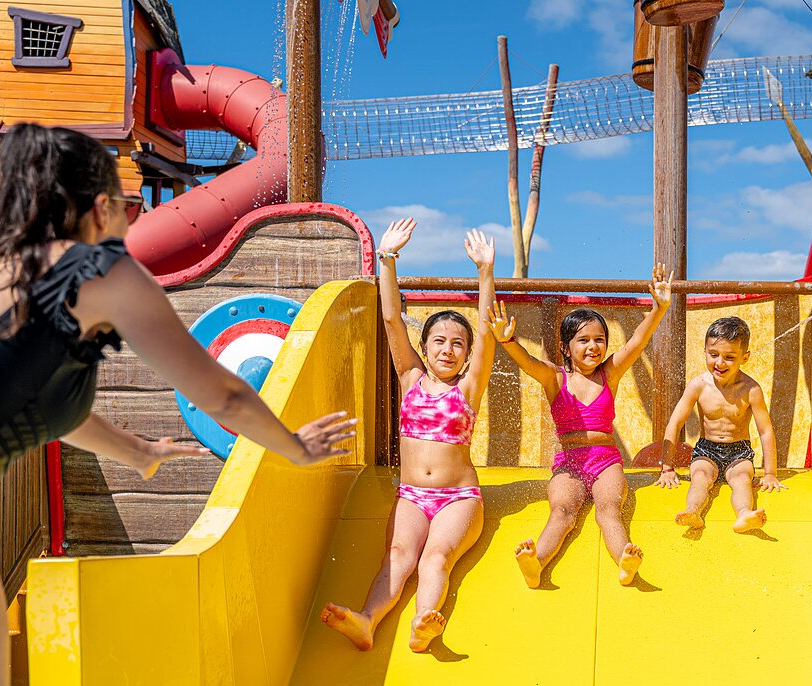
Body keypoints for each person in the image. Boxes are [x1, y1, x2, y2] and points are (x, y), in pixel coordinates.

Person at [0, 124, 355, 686]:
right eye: (125, 204)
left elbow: (29, 402)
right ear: (96, 208)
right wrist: (296, 446)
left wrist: (137, 451)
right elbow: (226, 395)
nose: (129, 218)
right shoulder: (96, 269)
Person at [321, 219, 497, 653]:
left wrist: (485, 272)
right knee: (397, 557)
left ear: (466, 354)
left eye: (457, 344)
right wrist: (387, 258)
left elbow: (487, 331)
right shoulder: (410, 377)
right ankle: (367, 621)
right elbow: (389, 317)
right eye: (439, 341)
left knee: (436, 558)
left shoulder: (468, 388)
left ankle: (424, 622)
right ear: (425, 345)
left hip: (458, 499)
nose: (447, 350)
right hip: (412, 496)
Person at [488, 265, 673, 588]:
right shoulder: (555, 377)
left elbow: (636, 344)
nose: (593, 346)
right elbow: (528, 363)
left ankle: (624, 561)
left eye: (599, 340)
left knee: (608, 509)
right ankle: (536, 564)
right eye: (583, 340)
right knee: (562, 510)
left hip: (606, 461)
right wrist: (508, 341)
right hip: (568, 464)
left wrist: (659, 308)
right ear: (566, 347)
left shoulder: (609, 373)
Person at [654, 316, 785, 531]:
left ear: (745, 357)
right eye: (713, 354)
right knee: (700, 476)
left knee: (742, 479)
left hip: (739, 452)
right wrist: (667, 468)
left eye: (729, 357)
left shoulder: (751, 389)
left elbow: (765, 431)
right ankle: (693, 511)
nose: (720, 363)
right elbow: (675, 423)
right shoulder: (698, 385)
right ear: (705, 352)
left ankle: (744, 514)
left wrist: (771, 473)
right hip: (707, 450)